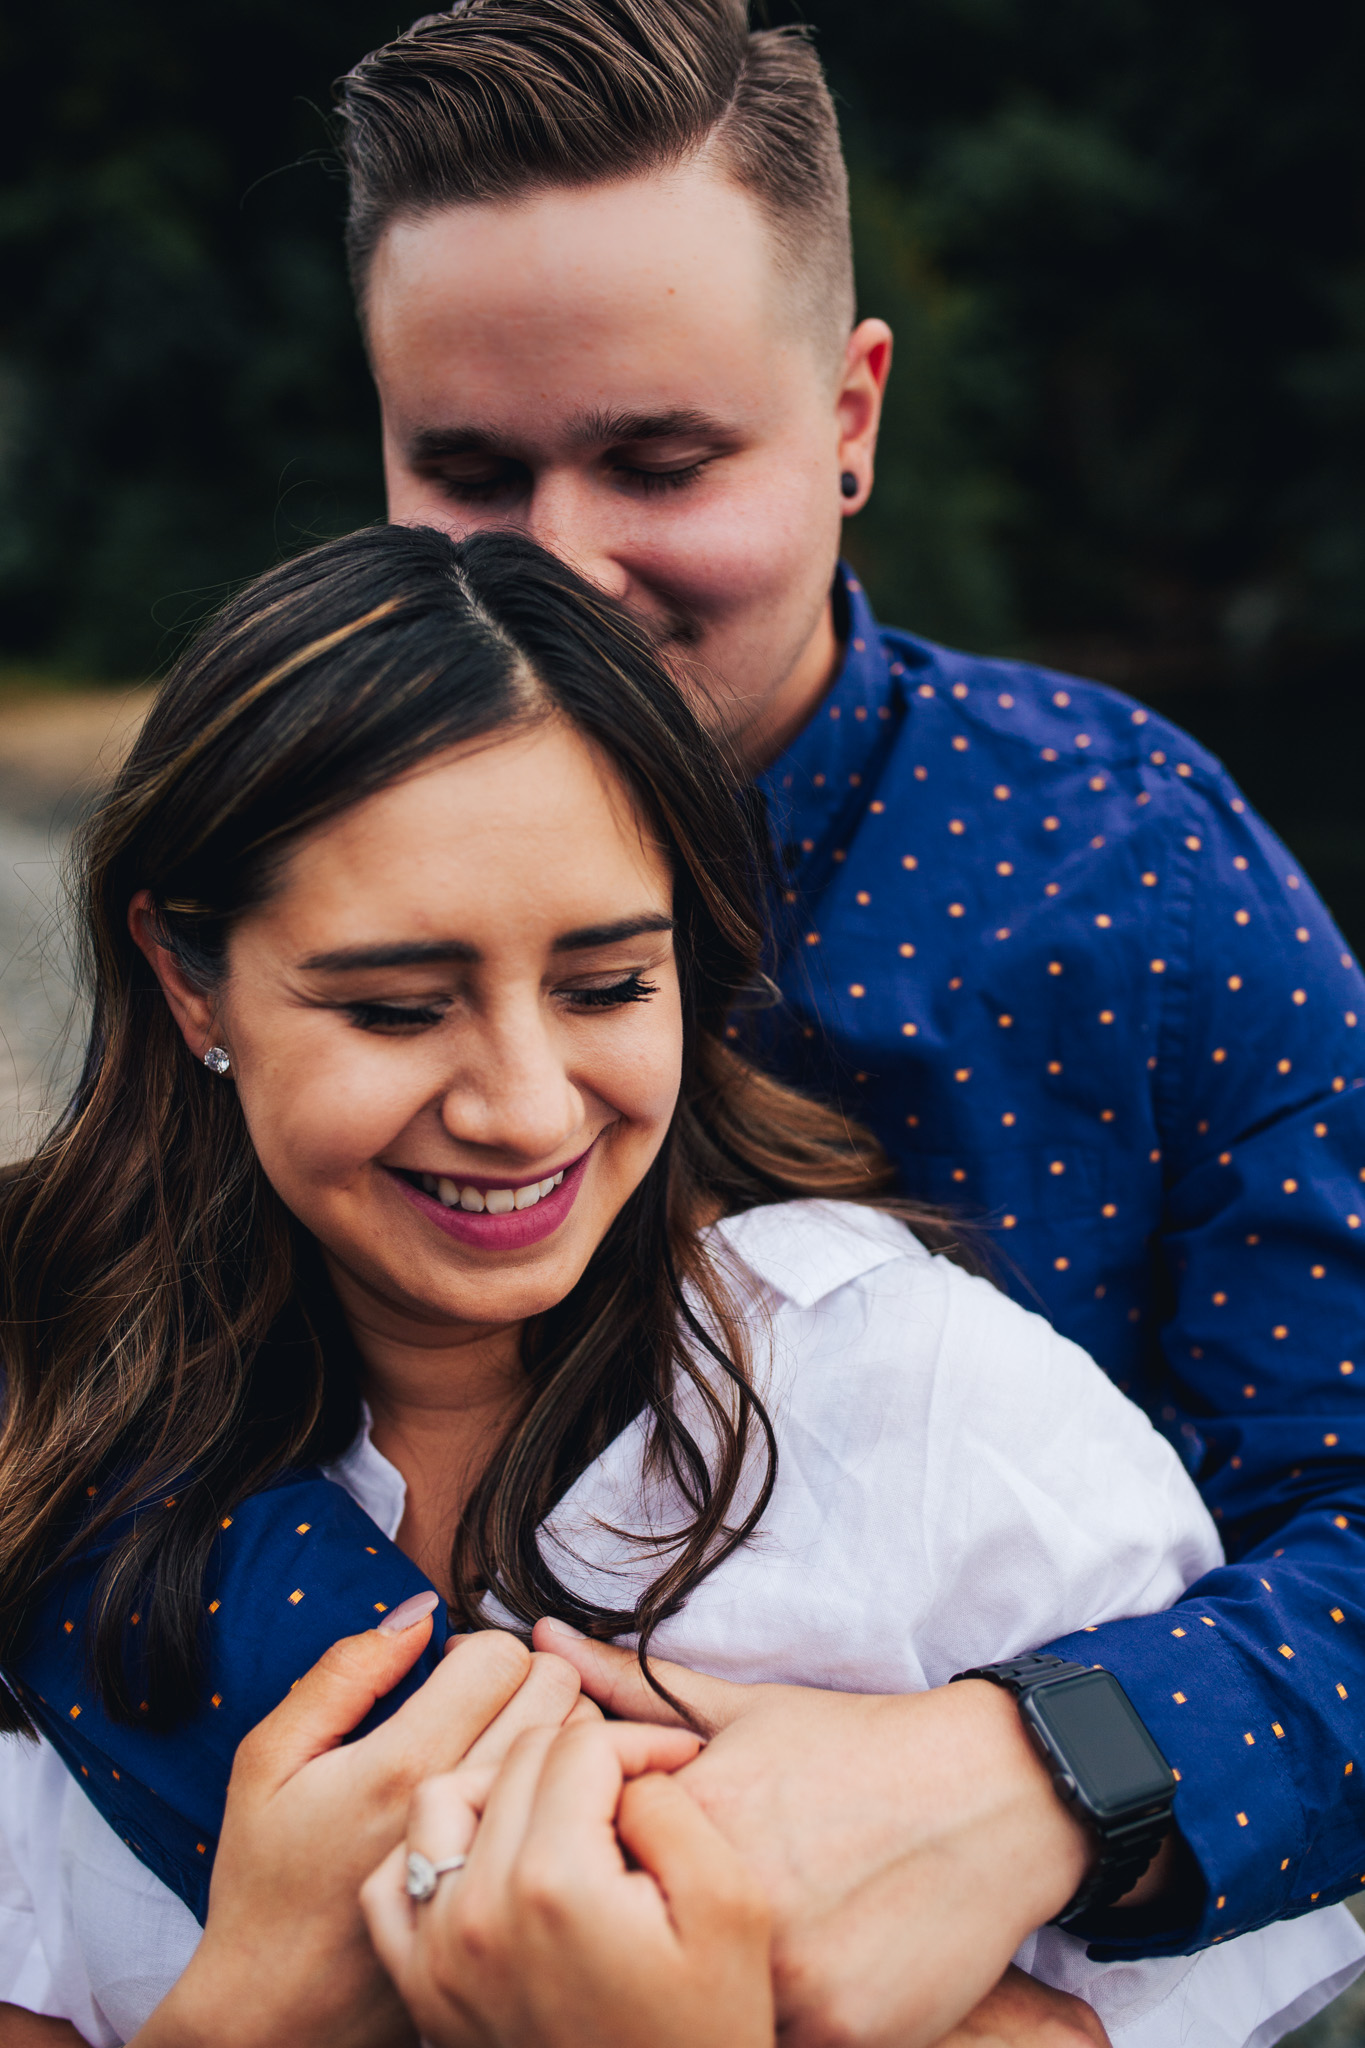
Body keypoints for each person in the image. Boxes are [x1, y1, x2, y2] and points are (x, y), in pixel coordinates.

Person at [323, 0, 1365, 2033]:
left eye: (658, 463)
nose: (561, 569)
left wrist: (1037, 1776)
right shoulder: (281, 876)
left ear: (849, 416)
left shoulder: (1141, 882)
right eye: (468, 471)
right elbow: (101, 1417)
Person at [1, 526, 1361, 2048]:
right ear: (189, 980)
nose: (524, 1109)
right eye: (395, 1008)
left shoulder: (932, 1405)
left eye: (605, 987)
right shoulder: (53, 1436)